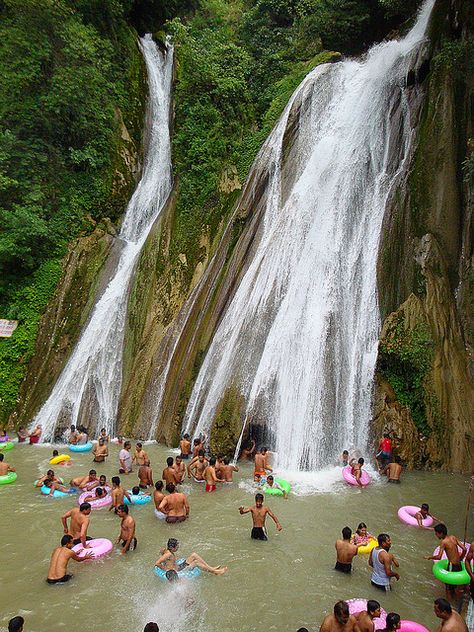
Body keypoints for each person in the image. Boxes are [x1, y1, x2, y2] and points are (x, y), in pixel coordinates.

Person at [425, 524, 466, 595]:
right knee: (457, 584)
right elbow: (464, 549)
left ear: (441, 533)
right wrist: (461, 558)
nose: (436, 535)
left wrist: (430, 557)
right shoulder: (453, 537)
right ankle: (456, 599)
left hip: (452, 566)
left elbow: (439, 557)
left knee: (448, 588)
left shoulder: (443, 542)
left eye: (436, 533)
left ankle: (450, 603)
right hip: (459, 565)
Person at [155, 538, 227, 575]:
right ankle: (215, 572)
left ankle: (211, 568)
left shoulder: (166, 551)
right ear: (172, 548)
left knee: (194, 555)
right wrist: (166, 569)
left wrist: (167, 562)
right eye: (177, 546)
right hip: (177, 571)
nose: (178, 547)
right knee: (196, 563)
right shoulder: (168, 554)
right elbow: (157, 563)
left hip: (179, 567)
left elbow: (161, 551)